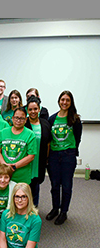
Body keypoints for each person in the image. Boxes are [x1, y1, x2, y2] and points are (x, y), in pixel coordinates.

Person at [46, 91, 82, 225]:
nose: (64, 102)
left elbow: (78, 138)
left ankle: (64, 212)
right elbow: (49, 138)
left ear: (71, 102)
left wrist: (70, 151)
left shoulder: (75, 119)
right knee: (55, 185)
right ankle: (55, 208)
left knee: (66, 186)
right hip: (54, 156)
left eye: (67, 100)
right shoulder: (52, 118)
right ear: (59, 101)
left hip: (68, 155)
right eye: (62, 99)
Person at [0, 108, 37, 186]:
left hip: (22, 177)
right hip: (3, 176)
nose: (18, 120)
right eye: (16, 117)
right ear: (12, 118)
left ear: (25, 120)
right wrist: (5, 165)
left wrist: (14, 166)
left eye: (21, 118)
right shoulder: (3, 132)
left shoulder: (30, 135)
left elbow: (31, 156)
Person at [25, 96, 51, 207]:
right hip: (25, 162)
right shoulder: (23, 124)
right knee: (25, 188)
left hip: (39, 161)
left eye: (35, 109)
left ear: (39, 109)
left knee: (35, 187)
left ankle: (34, 210)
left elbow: (48, 144)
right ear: (27, 111)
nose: (33, 112)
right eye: (30, 109)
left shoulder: (45, 124)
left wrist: (47, 159)